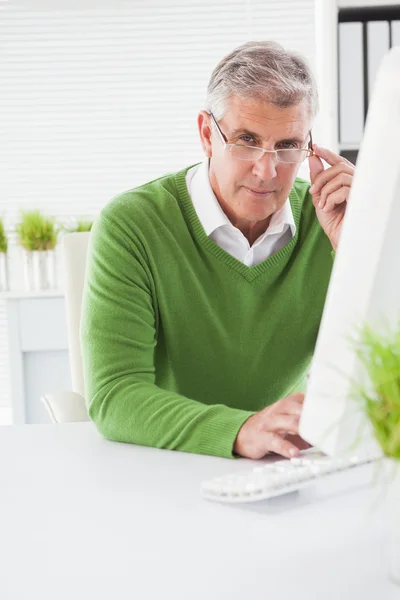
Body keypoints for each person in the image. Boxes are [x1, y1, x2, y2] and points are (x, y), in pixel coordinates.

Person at [80, 41, 355, 460]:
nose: (267, 171)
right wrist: (241, 430)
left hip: (287, 465)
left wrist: (360, 249)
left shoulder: (331, 220)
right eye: (246, 140)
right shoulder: (131, 224)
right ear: (208, 134)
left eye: (287, 146)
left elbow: (381, 378)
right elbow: (115, 394)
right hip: (161, 466)